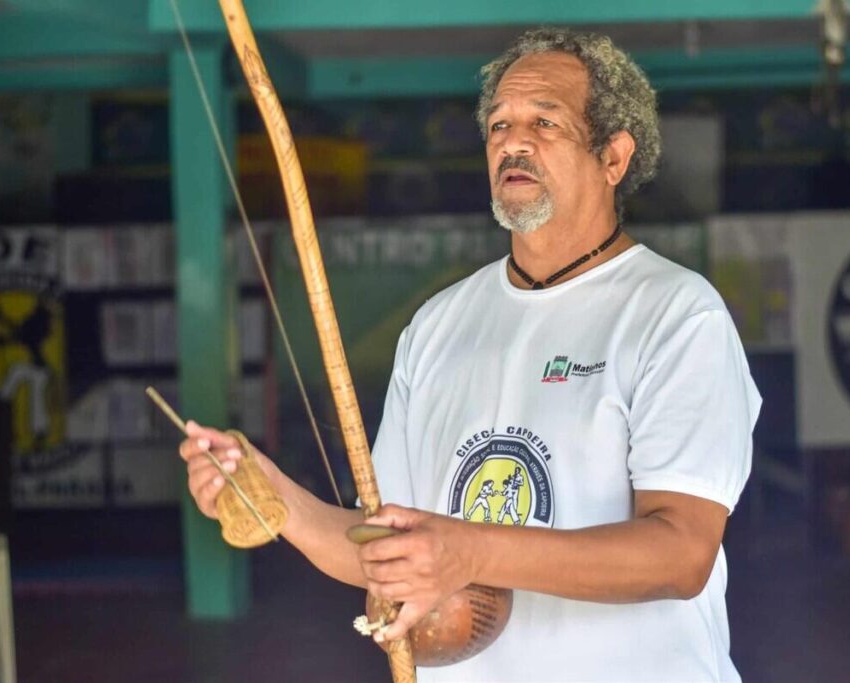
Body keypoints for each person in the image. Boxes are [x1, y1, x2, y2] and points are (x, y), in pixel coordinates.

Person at [180, 28, 761, 682]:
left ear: (614, 156)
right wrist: (271, 495)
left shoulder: (675, 314)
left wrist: (470, 551)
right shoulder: (437, 325)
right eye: (498, 125)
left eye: (546, 121)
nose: (513, 140)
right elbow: (391, 551)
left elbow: (681, 554)